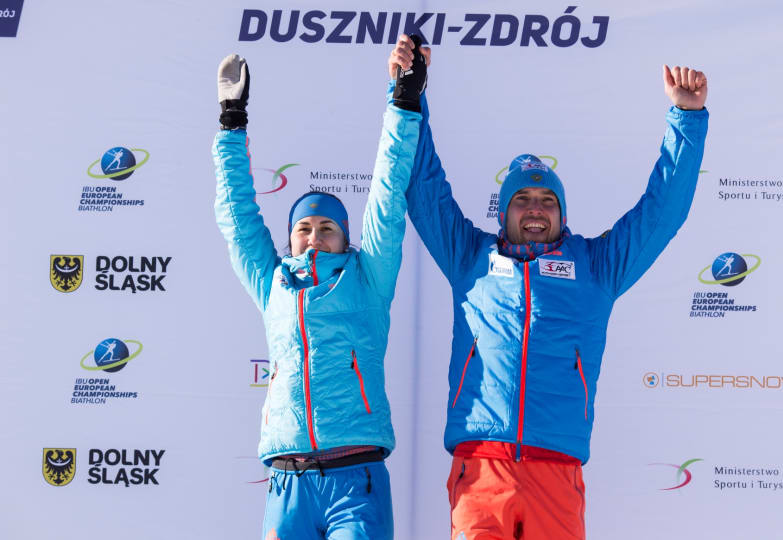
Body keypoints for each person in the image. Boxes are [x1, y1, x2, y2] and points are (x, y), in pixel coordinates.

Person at [389, 36, 708, 540]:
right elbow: (422, 184)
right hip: (481, 471)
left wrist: (686, 121)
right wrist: (411, 93)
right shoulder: (469, 256)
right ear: (504, 211)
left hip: (557, 473)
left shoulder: (597, 266)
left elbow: (661, 213)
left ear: (561, 214)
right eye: (522, 199)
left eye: (546, 200)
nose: (535, 208)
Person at [212, 50, 424, 540]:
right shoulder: (273, 284)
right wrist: (231, 121)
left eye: (327, 227)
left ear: (344, 238)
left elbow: (388, 195)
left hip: (356, 475)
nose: (313, 236)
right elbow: (238, 218)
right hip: (288, 480)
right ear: (290, 239)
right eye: (303, 228)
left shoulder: (367, 276)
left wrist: (403, 102)